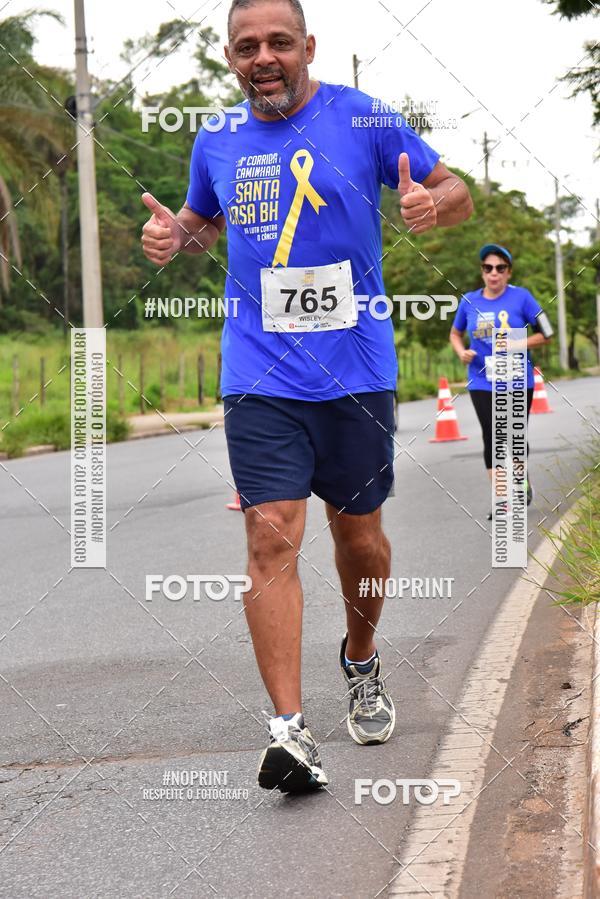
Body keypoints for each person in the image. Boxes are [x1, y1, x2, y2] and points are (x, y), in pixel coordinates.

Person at [141, 0, 473, 793]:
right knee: (270, 537)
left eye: (278, 42)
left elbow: (452, 186)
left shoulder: (363, 119)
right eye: (247, 45)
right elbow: (199, 224)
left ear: (308, 47)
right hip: (258, 372)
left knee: (359, 538)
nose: (264, 56)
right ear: (230, 57)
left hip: (356, 370)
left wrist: (433, 204)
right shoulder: (216, 137)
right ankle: (289, 732)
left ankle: (360, 656)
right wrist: (170, 238)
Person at [450, 244, 554, 520]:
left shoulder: (523, 298)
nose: (493, 273)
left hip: (518, 378)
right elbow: (455, 334)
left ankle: (521, 481)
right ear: (482, 272)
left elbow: (548, 332)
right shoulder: (469, 301)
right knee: (493, 436)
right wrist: (462, 353)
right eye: (488, 268)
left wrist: (517, 341)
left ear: (508, 272)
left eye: (500, 268)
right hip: (482, 380)